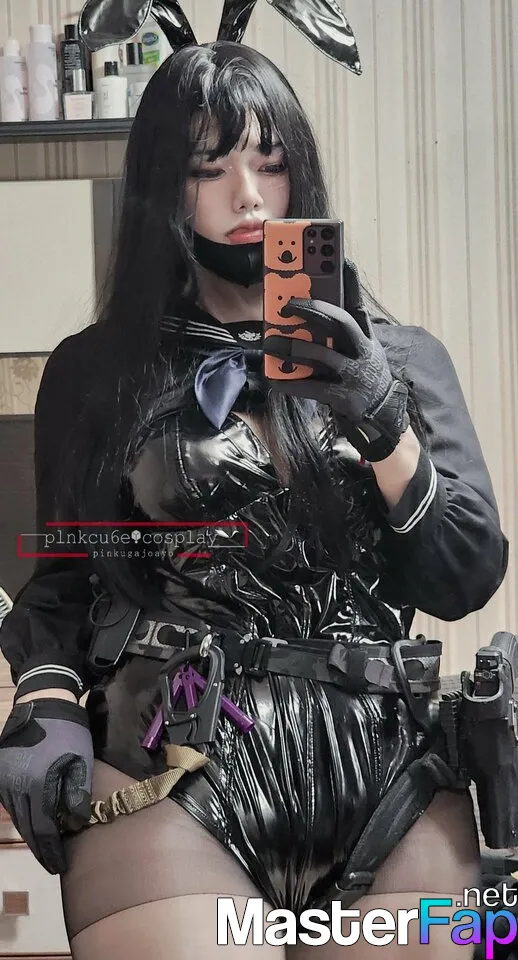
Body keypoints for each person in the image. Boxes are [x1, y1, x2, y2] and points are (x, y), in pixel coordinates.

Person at [0, 8, 509, 959]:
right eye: (209, 168)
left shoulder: (403, 359)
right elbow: (66, 577)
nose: (248, 194)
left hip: (388, 771)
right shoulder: (97, 371)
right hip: (168, 759)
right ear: (163, 186)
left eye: (270, 163)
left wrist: (381, 417)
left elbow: (465, 576)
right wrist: (46, 695)